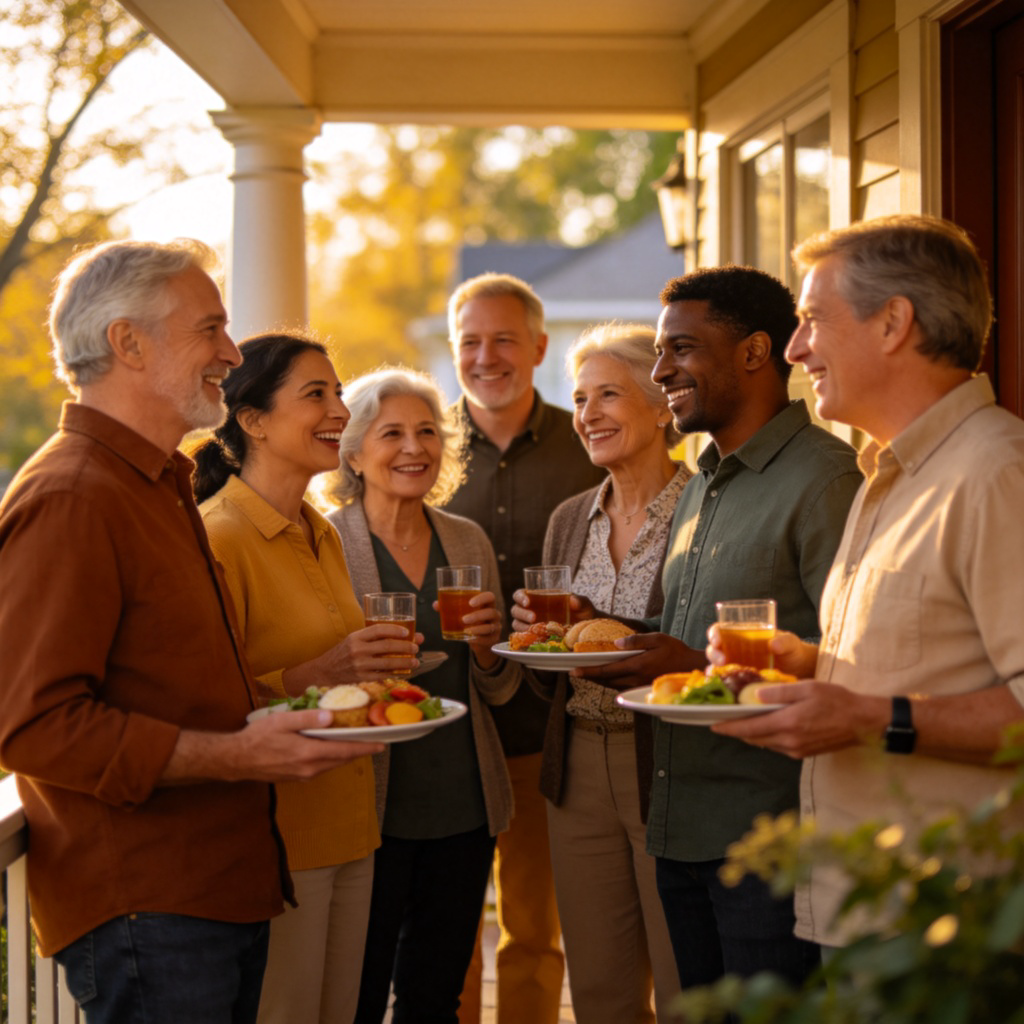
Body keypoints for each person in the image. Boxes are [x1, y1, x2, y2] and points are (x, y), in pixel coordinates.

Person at [0, 239, 378, 1024]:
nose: (232, 353)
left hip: (214, 890)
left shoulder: (155, 485)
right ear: (127, 343)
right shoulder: (74, 495)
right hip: (150, 909)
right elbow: (32, 726)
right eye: (210, 329)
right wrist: (235, 754)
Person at [712, 215, 1024, 948]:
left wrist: (862, 716)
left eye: (812, 319)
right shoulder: (884, 476)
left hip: (952, 933)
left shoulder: (996, 475)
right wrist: (813, 667)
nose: (794, 349)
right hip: (865, 916)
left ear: (893, 323)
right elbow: (933, 670)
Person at [574, 266, 863, 991]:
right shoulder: (703, 479)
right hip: (679, 825)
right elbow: (685, 632)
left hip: (770, 839)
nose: (662, 368)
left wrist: (688, 666)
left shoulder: (827, 481)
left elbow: (857, 662)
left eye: (681, 349)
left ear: (755, 353)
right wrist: (608, 630)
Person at [192, 334, 419, 1024]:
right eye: (316, 394)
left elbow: (340, 678)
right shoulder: (218, 535)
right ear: (253, 419)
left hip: (354, 828)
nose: (340, 411)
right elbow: (206, 704)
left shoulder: (320, 529)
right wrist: (318, 675)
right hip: (279, 845)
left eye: (339, 392)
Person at [325, 367, 519, 1024]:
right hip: (366, 804)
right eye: (393, 433)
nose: (415, 448)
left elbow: (495, 685)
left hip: (461, 799)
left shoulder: (466, 540)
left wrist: (492, 647)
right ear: (353, 452)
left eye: (428, 431)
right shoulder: (326, 540)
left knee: (436, 997)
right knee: (356, 988)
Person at [512, 322, 688, 1022]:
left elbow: (705, 643)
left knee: (684, 980)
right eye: (580, 399)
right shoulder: (569, 519)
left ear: (658, 405)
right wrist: (535, 640)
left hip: (670, 762)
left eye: (608, 394)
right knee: (600, 988)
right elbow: (548, 672)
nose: (587, 415)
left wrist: (605, 631)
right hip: (577, 761)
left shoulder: (706, 509)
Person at [444, 272, 605, 1024]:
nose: (486, 357)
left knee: (535, 929)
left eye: (504, 338)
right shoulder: (421, 449)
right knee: (446, 933)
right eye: (470, 341)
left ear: (539, 346)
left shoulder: (588, 447)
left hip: (551, 723)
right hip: (446, 726)